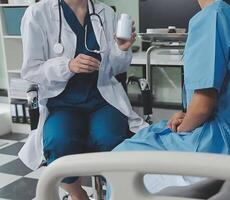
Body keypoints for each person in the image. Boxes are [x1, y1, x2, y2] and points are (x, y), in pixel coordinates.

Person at [111, 0, 230, 192]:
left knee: (118, 158)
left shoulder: (213, 17)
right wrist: (188, 115)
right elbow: (227, 92)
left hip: (215, 143)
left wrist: (183, 128)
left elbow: (202, 106)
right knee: (150, 133)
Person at [19, 0, 147, 199]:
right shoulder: (37, 13)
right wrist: (67, 66)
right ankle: (79, 195)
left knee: (109, 138)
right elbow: (31, 70)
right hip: (62, 103)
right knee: (58, 142)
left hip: (103, 98)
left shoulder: (105, 12)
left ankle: (116, 192)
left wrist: (122, 49)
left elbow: (116, 68)